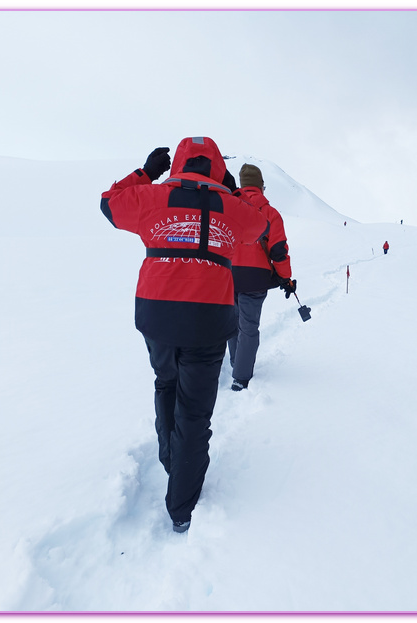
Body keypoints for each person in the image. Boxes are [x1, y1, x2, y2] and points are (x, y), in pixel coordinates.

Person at [100, 137, 269, 533]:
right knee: (194, 413)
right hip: (208, 318)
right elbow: (259, 223)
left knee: (166, 382)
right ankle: (181, 505)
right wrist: (232, 188)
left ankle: (172, 461)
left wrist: (145, 172)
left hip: (156, 312)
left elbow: (109, 203)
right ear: (215, 168)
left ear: (176, 163)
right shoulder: (230, 207)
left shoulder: (152, 197)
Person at [228, 163, 295, 392]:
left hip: (227, 276)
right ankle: (241, 377)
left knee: (233, 323)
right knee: (248, 327)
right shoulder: (270, 213)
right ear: (261, 187)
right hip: (256, 278)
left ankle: (236, 363)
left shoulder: (229, 206)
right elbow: (278, 251)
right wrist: (286, 278)